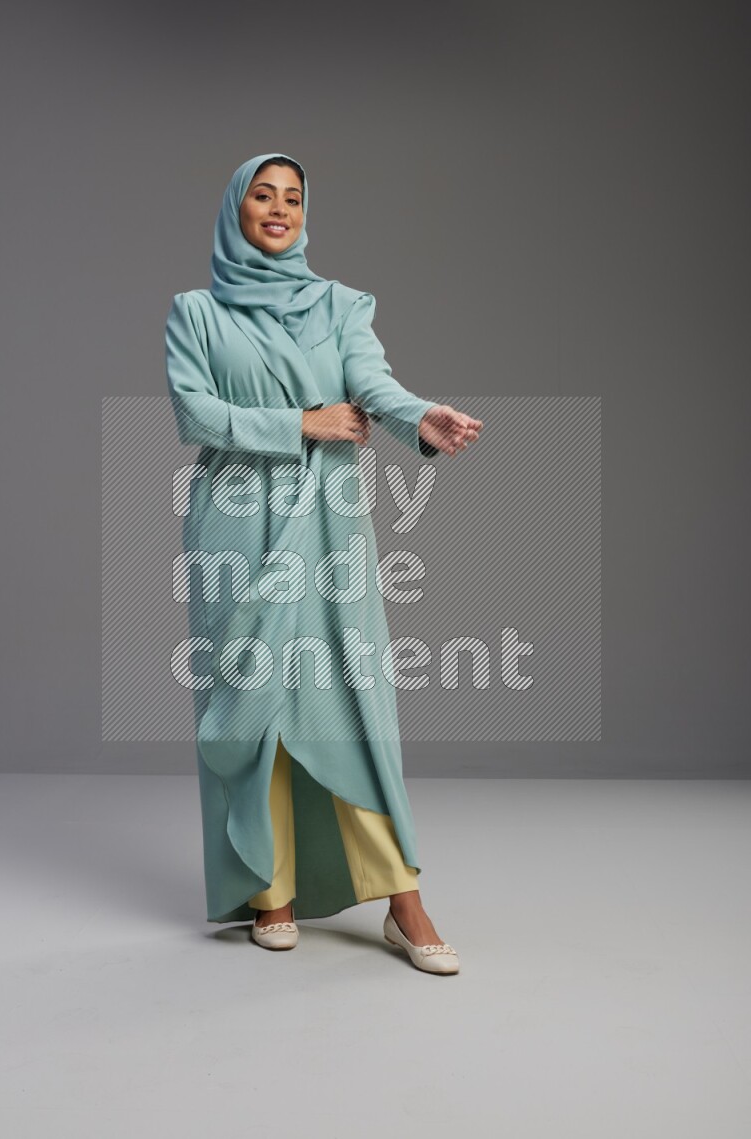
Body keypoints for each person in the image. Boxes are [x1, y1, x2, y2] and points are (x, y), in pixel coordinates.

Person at [165, 152, 481, 975]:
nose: (279, 208)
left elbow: (372, 385)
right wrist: (302, 423)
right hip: (233, 522)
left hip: (327, 522)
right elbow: (194, 411)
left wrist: (421, 418)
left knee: (349, 693)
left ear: (307, 214)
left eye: (293, 198)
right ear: (237, 208)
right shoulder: (195, 313)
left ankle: (401, 899)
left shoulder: (341, 304)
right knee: (252, 693)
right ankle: (269, 886)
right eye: (263, 196)